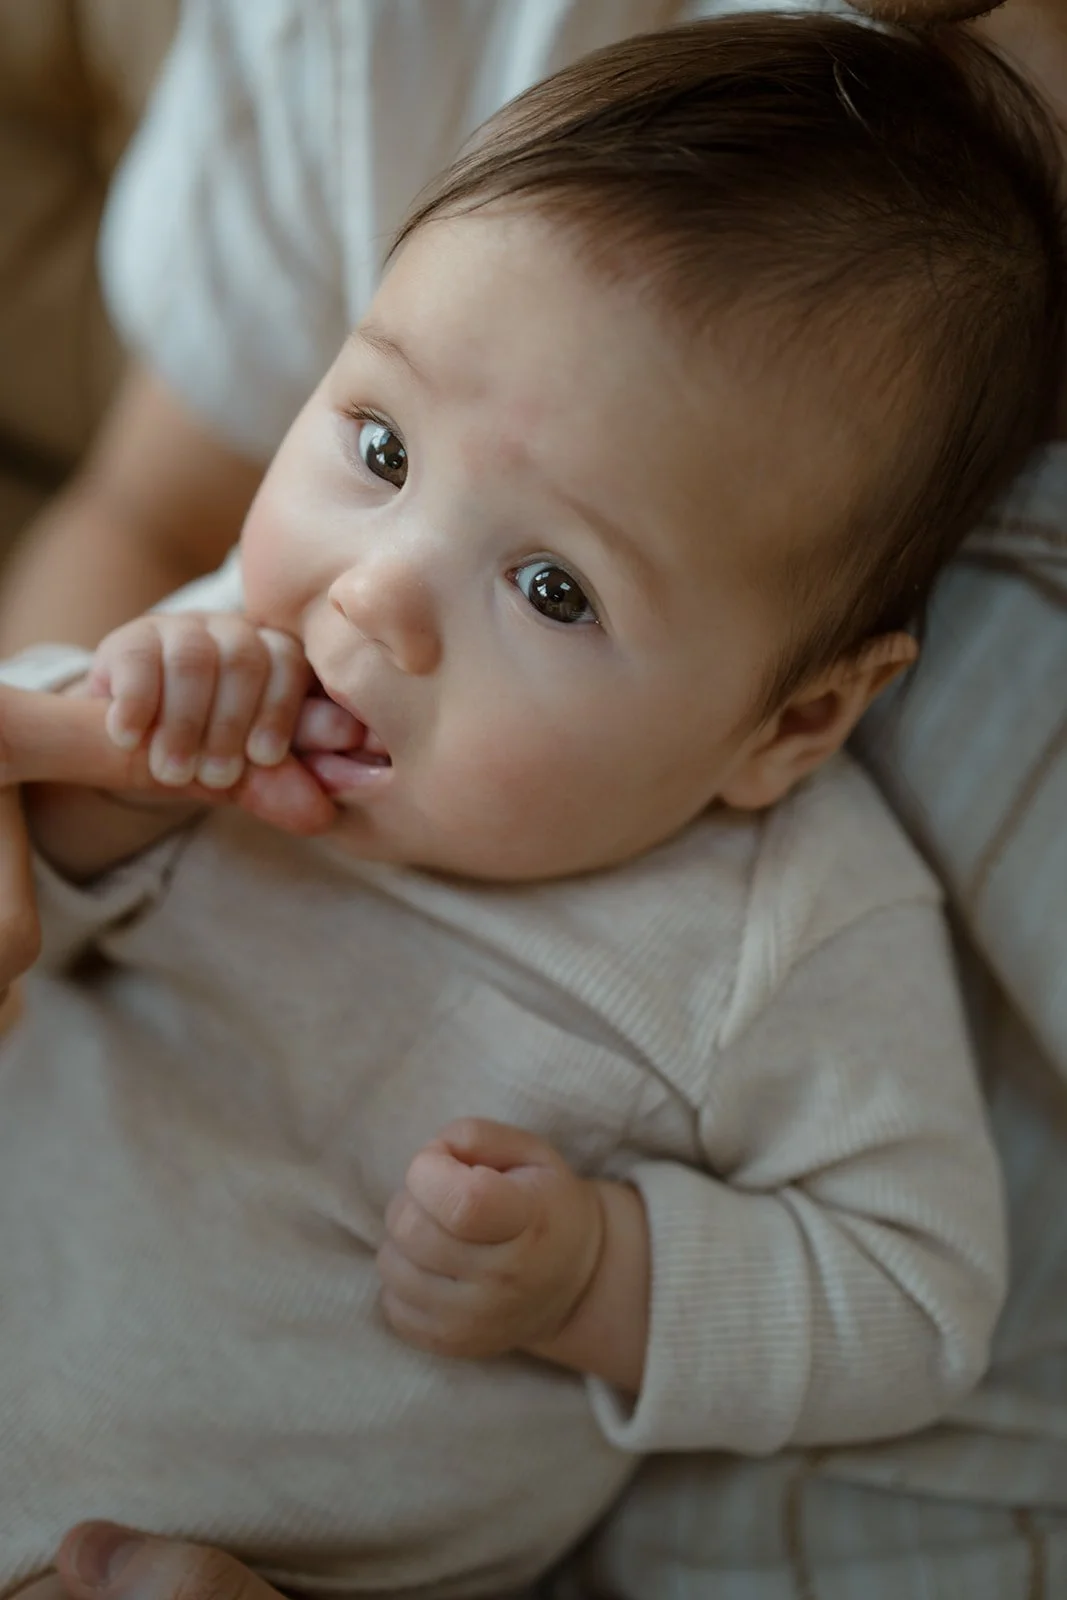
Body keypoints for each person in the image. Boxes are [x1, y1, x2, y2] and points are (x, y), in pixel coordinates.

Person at [0, 13, 1061, 1598]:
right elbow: (43, 867)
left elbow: (909, 1300)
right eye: (377, 443)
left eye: (553, 587)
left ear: (793, 721)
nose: (374, 595)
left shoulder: (789, 930)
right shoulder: (235, 652)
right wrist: (117, 771)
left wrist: (599, 1275)